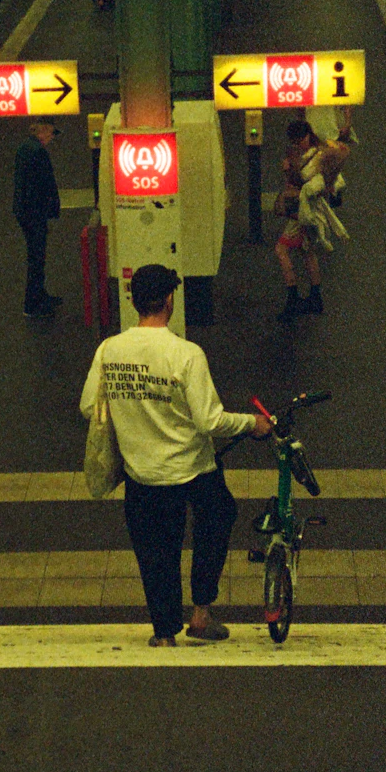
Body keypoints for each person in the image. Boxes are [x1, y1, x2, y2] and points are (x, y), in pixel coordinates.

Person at [79, 265, 272, 646]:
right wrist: (252, 423)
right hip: (193, 470)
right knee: (216, 520)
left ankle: (164, 633)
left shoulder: (109, 349)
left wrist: (134, 418)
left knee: (155, 552)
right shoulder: (186, 354)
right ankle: (201, 613)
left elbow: (89, 406)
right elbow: (209, 419)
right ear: (169, 301)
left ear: (133, 301)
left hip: (141, 474)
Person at [273, 120, 348, 320]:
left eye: (301, 139)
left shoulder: (317, 156)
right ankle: (315, 297)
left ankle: (293, 297)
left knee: (281, 250)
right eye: (296, 141)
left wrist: (289, 170)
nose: (299, 143)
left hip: (304, 212)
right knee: (307, 252)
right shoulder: (313, 152)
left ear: (308, 135)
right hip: (309, 211)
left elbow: (306, 182)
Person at [13, 121, 62, 316]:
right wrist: (49, 209)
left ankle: (40, 296)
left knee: (37, 256)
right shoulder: (37, 152)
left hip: (26, 212)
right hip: (34, 213)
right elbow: (45, 183)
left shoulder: (25, 147)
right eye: (51, 132)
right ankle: (33, 304)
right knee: (36, 258)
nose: (52, 137)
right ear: (41, 130)